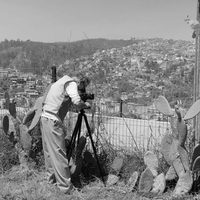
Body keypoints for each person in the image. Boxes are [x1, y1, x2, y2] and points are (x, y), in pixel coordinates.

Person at [40, 74, 91, 194]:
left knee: (49, 153)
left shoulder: (61, 81)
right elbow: (77, 101)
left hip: (45, 117)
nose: (81, 90)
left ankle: (50, 180)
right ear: (80, 82)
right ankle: (65, 188)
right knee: (59, 154)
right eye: (82, 87)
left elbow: (62, 100)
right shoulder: (71, 83)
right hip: (52, 120)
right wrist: (85, 105)